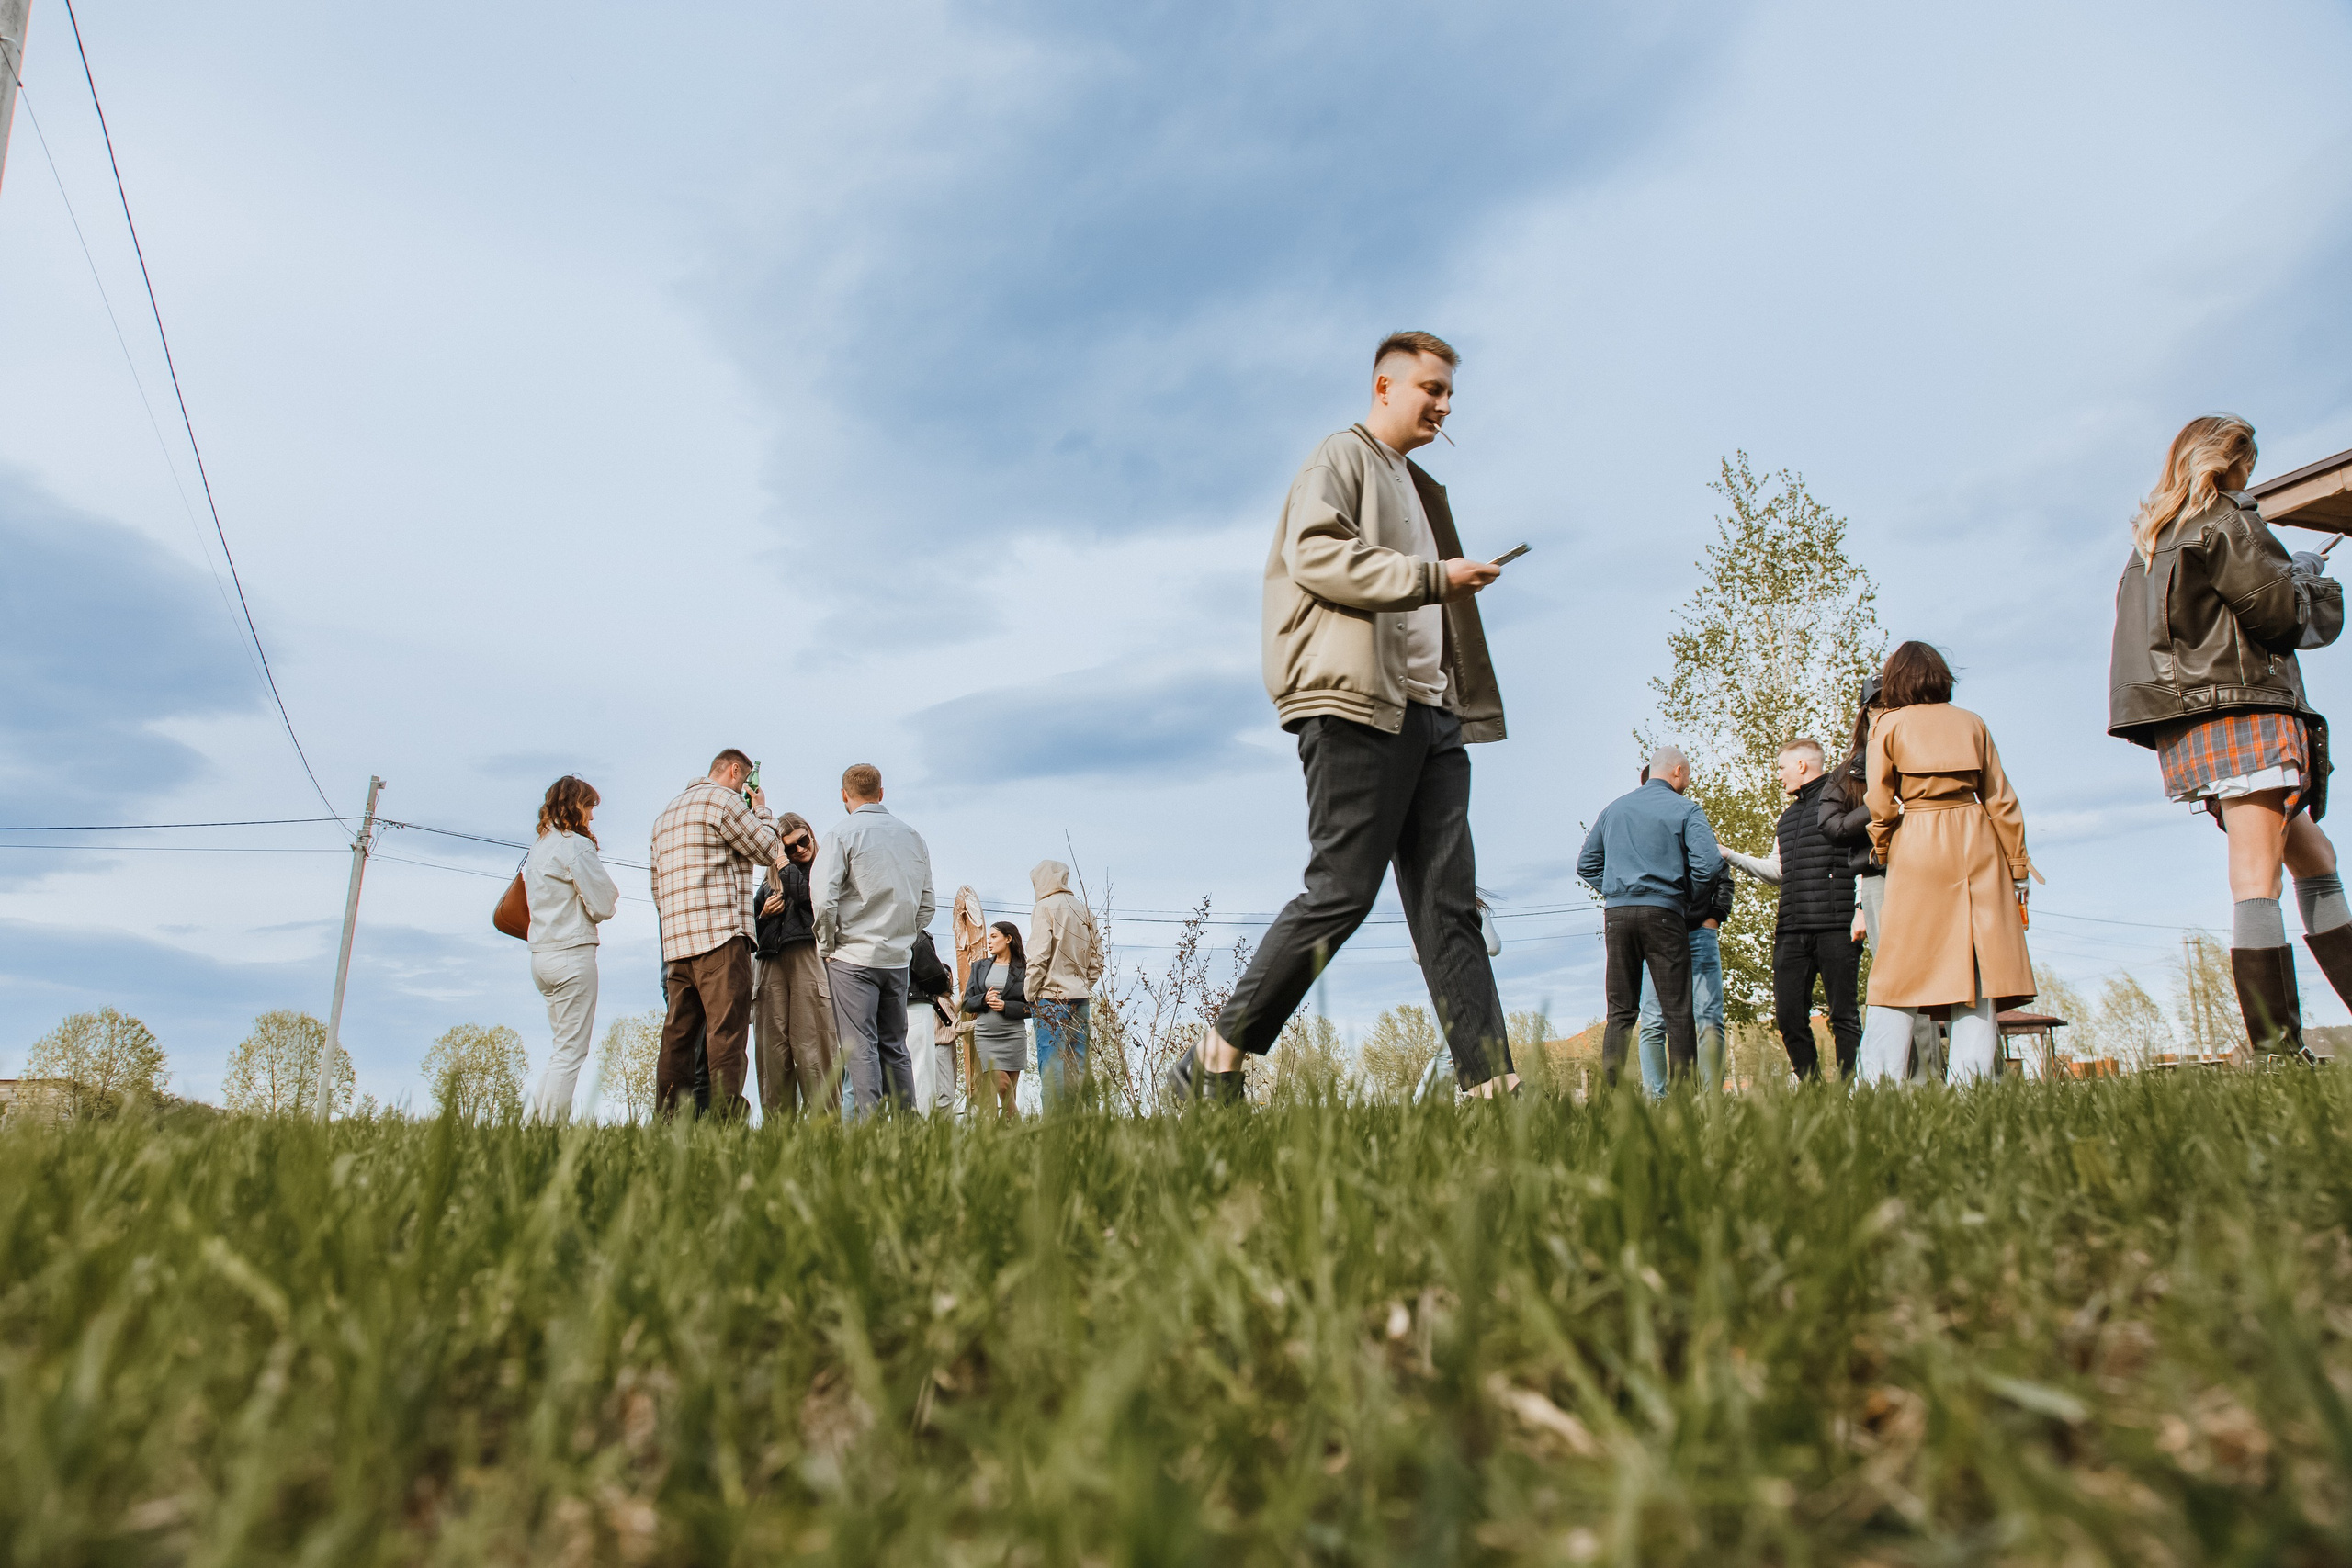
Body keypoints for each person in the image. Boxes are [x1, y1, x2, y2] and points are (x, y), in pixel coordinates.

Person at [1163, 330, 1515, 1104]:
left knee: (1449, 904)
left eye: (1450, 393)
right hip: (1356, 705)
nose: (1444, 404)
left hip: (1432, 713)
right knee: (1342, 891)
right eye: (1431, 388)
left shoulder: (1420, 488)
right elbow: (1319, 554)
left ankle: (1492, 1086)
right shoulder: (1340, 458)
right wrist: (1434, 577)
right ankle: (1213, 1058)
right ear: (1384, 386)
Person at [2109, 414, 2346, 1058]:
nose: (2252, 474)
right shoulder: (2228, 520)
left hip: (2195, 726)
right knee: (2254, 873)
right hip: (2242, 716)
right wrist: (2307, 576)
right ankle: (2276, 1051)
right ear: (2230, 461)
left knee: (2314, 859)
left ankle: (2280, 1046)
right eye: (2250, 461)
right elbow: (2279, 615)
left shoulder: (2150, 542)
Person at [1856, 642, 2038, 1084]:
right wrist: (2016, 866)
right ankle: (1971, 1090)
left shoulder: (1887, 725)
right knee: (1978, 973)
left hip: (1918, 840)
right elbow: (2002, 800)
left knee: (1897, 971)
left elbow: (1878, 802)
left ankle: (1878, 1086)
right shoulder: (1973, 723)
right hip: (1978, 839)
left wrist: (1881, 847)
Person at [650, 750, 787, 1118]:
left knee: (678, 1037)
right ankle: (726, 1121)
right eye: (743, 781)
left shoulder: (665, 815)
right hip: (721, 937)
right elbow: (767, 848)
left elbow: (656, 887)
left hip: (677, 943)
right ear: (734, 770)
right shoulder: (722, 800)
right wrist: (761, 810)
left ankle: (669, 1121)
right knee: (725, 1034)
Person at [1577, 745, 1724, 1086]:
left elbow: (1586, 864)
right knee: (1677, 1011)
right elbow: (1710, 864)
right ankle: (1684, 1103)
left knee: (1620, 1013)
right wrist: (1684, 899)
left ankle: (1609, 1102)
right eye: (1687, 774)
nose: (1688, 780)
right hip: (1664, 914)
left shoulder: (1613, 810)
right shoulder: (1686, 809)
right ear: (1677, 771)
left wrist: (1618, 891)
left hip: (1617, 917)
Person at [1719, 738, 1863, 1078]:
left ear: (1801, 765)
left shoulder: (1844, 803)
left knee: (1843, 1015)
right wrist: (1731, 856)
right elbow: (1778, 871)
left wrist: (1860, 908)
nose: (1779, 776)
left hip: (1836, 926)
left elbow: (1862, 858)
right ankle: (1812, 1091)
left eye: (1782, 768)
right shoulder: (1786, 818)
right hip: (1791, 929)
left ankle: (1849, 1091)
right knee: (1788, 1016)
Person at [1819, 681, 1942, 1081]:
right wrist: (1882, 805)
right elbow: (1832, 825)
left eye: (1891, 705)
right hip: (1878, 879)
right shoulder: (1849, 771)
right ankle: (1915, 1085)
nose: (1884, 714)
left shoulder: (1930, 751)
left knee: (1947, 976)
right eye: (1876, 708)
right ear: (1865, 715)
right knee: (1897, 980)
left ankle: (1968, 1079)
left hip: (1933, 874)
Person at [812, 763, 937, 1117]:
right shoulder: (913, 837)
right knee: (895, 1045)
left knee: (859, 1046)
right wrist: (905, 936)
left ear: (844, 795)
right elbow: (927, 901)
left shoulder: (840, 835)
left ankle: (869, 1128)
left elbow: (823, 899)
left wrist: (827, 943)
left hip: (852, 956)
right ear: (881, 793)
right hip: (896, 958)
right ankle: (907, 1126)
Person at [524, 775, 619, 1121]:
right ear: (575, 806)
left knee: (560, 1051)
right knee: (571, 1053)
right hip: (572, 955)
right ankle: (550, 1131)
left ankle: (535, 1125)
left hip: (541, 956)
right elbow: (604, 904)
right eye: (590, 807)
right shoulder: (574, 846)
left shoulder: (539, 846)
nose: (592, 817)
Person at [1633, 783, 1734, 1094]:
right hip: (1659, 934)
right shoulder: (1643, 837)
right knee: (1652, 1020)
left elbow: (1721, 874)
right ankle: (1656, 1098)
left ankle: (1712, 1099)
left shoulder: (1695, 823)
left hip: (1699, 933)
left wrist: (1713, 918)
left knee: (1708, 1017)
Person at [752, 812, 839, 1120]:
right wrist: (762, 915)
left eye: (803, 841)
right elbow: (752, 934)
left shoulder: (824, 870)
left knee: (813, 1046)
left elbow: (810, 901)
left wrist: (782, 862)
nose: (799, 849)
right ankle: (777, 1135)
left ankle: (825, 1129)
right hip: (769, 963)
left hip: (808, 957)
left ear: (811, 835)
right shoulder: (767, 883)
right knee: (772, 1054)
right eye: (789, 848)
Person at [1026, 860, 1103, 1105]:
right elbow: (1097, 960)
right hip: (1080, 998)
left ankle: (1055, 1133)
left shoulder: (1044, 907)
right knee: (1080, 1069)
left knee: (1052, 1071)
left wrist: (1030, 992)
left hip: (1050, 998)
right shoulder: (1085, 910)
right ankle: (1087, 1126)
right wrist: (1083, 984)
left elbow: (1039, 955)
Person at [962, 920, 1031, 1117]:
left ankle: (1009, 1137)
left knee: (1009, 1094)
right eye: (989, 938)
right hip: (986, 1036)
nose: (989, 942)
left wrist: (1007, 1006)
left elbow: (1033, 1007)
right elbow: (967, 1002)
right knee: (1002, 1086)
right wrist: (983, 999)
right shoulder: (980, 967)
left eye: (994, 937)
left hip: (1014, 1036)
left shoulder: (1025, 969)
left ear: (1008, 939)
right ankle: (1023, 1130)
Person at [909, 926, 959, 1111]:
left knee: (948, 1091)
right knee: (945, 1093)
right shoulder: (939, 1000)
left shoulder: (946, 1001)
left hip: (946, 1046)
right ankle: (937, 1127)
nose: (949, 979)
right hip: (940, 1047)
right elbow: (952, 1025)